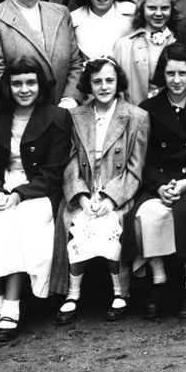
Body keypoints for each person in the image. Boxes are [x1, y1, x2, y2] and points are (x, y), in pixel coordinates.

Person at [0, 56, 72, 342]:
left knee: (21, 220)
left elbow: (53, 173)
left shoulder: (56, 117)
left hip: (37, 191)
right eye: (17, 83)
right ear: (8, 87)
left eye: (30, 82)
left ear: (40, 85)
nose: (24, 89)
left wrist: (19, 195)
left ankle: (12, 305)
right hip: (1, 185)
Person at [124, 43, 186, 320]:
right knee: (147, 213)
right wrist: (160, 185)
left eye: (182, 74)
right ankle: (159, 280)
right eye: (170, 73)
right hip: (161, 179)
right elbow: (145, 157)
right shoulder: (149, 107)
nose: (176, 81)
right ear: (162, 75)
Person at [56, 57, 148, 324]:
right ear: (88, 85)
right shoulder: (76, 116)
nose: (104, 86)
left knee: (110, 224)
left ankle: (120, 292)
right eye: (97, 81)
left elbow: (135, 168)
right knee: (79, 222)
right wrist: (81, 196)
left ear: (118, 81)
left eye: (109, 80)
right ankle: (72, 294)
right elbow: (70, 161)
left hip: (116, 191)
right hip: (85, 190)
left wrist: (111, 198)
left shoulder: (136, 117)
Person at [113, 0, 180, 106]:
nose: (158, 13)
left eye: (165, 8)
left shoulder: (179, 41)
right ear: (142, 8)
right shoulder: (124, 45)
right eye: (152, 8)